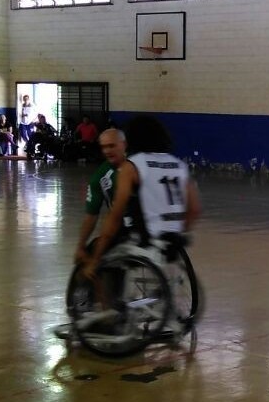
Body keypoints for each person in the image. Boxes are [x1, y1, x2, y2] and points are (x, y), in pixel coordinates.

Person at [85, 115, 202, 280]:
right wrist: (178, 230)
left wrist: (95, 258)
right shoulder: (179, 165)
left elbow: (116, 214)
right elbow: (195, 209)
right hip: (173, 239)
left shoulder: (133, 164)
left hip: (145, 238)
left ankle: (107, 303)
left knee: (97, 254)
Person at [74, 128, 128, 265]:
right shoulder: (100, 176)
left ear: (124, 144)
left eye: (111, 146)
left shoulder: (135, 167)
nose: (107, 151)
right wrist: (80, 245)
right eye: (103, 147)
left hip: (127, 230)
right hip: (120, 229)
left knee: (91, 264)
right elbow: (91, 215)